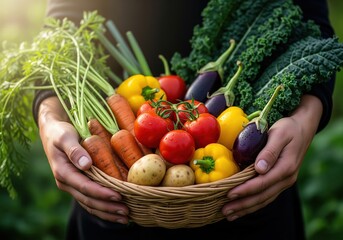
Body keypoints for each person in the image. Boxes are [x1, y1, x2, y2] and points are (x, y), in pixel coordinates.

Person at [33, 0, 336, 239]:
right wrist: (50, 119)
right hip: (113, 204)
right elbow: (61, 26)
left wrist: (303, 121)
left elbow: (313, 27)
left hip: (250, 200)